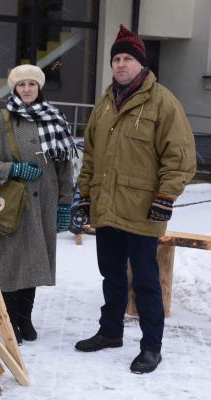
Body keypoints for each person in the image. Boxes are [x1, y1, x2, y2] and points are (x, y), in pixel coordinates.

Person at [74, 25, 197, 373]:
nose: (120, 64)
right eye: (116, 59)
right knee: (110, 275)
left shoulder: (163, 102)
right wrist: (85, 195)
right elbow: (91, 157)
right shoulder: (104, 104)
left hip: (144, 210)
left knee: (145, 281)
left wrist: (165, 196)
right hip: (107, 208)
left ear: (140, 64)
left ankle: (151, 346)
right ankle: (110, 331)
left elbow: (180, 158)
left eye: (127, 58)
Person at [0, 64, 75, 344]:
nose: (27, 89)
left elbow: (64, 165)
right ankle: (10, 321)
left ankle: (25, 318)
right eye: (22, 85)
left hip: (44, 201)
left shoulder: (54, 119)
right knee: (12, 264)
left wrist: (65, 203)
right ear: (14, 88)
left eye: (32, 84)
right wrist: (12, 170)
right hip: (11, 204)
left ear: (39, 88)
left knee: (34, 262)